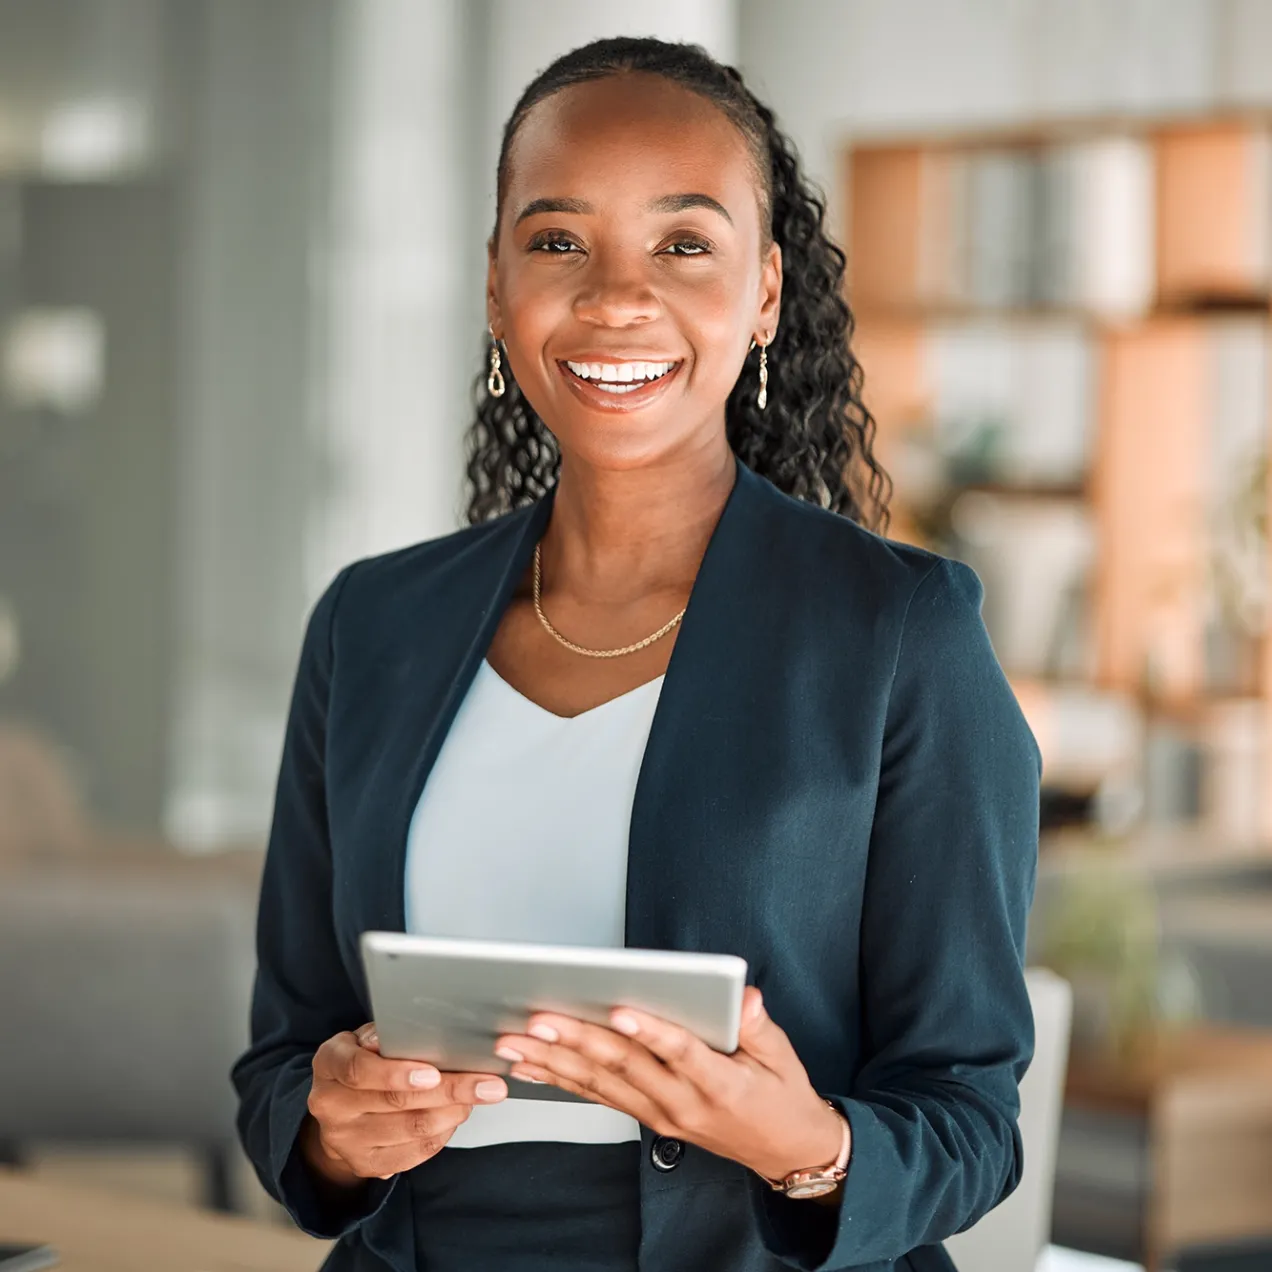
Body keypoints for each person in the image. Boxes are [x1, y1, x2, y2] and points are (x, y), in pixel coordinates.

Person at [231, 35, 1041, 1272]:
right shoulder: (371, 625)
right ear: (497, 287)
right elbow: (285, 1056)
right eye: (557, 242)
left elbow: (970, 1115)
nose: (616, 298)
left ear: (764, 292)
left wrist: (807, 1144)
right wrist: (334, 1132)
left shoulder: (898, 633)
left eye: (683, 244)